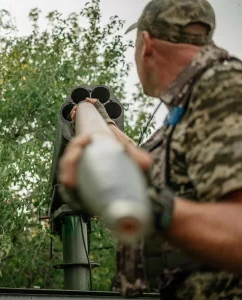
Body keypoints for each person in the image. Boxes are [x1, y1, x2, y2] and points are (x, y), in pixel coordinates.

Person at [58, 0, 242, 299]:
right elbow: (152, 165)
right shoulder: (193, 104)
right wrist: (106, 127)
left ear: (145, 44)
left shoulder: (222, 91)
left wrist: (150, 207)